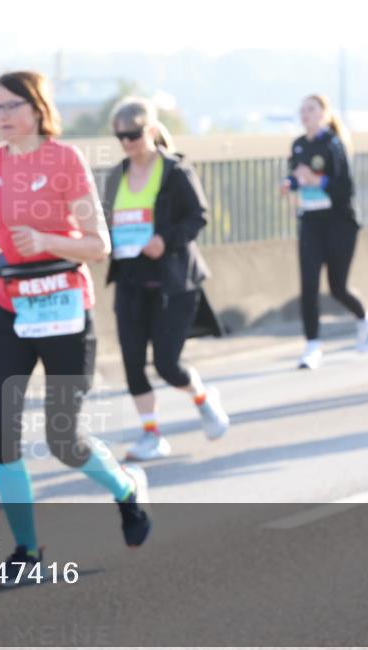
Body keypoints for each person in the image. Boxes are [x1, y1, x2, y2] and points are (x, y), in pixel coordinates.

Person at [0, 71, 151, 586]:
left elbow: (98, 245)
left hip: (64, 308)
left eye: (14, 104)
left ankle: (125, 490)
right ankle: (27, 550)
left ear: (38, 109)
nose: (3, 114)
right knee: (1, 433)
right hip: (11, 308)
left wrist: (46, 238)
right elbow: (4, 237)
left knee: (64, 438)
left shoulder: (64, 160)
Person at [102, 97, 228, 462]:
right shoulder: (116, 176)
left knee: (167, 364)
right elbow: (108, 221)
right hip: (130, 280)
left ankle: (203, 399)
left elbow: (198, 217)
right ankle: (151, 434)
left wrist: (165, 240)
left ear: (152, 131)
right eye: (120, 137)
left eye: (133, 135)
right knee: (131, 361)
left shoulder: (175, 172)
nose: (126, 143)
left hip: (173, 282)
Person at [281, 94, 368, 370]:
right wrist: (289, 183)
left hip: (339, 223)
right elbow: (295, 175)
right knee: (309, 285)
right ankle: (312, 345)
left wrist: (318, 180)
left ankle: (366, 319)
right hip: (310, 222)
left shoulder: (333, 145)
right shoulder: (299, 145)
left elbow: (344, 189)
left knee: (338, 287)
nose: (306, 115)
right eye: (302, 110)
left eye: (311, 110)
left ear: (324, 114)